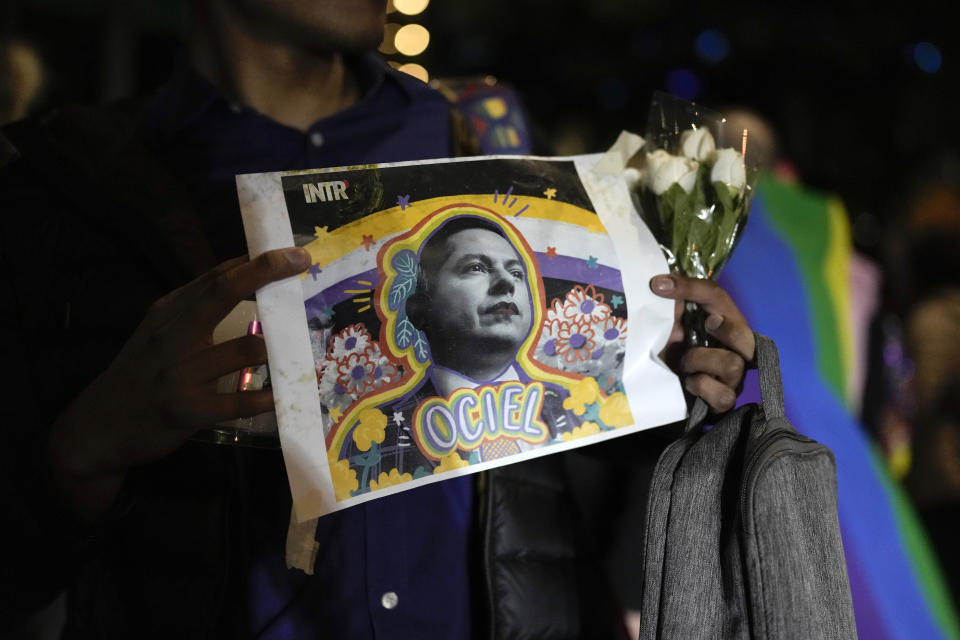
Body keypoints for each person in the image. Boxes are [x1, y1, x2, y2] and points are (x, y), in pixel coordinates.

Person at [0, 0, 756, 636]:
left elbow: (562, 454)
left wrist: (676, 383)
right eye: (470, 269)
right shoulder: (64, 196)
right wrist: (90, 442)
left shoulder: (489, 145)